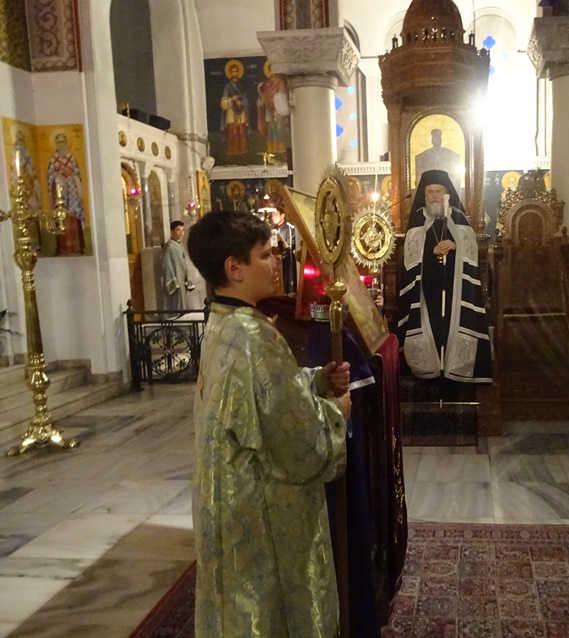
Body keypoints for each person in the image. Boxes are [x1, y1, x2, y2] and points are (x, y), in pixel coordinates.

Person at [186, 209, 351, 637]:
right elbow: (297, 441)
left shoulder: (222, 323)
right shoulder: (255, 337)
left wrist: (315, 381)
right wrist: (337, 413)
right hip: (257, 507)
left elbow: (258, 399)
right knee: (267, 610)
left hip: (225, 495)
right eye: (265, 254)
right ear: (234, 268)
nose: (276, 262)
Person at [397, 169, 491, 382]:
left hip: (454, 291)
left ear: (446, 193)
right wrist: (430, 251)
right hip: (427, 291)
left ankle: (453, 373)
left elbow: (470, 249)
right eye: (430, 192)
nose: (434, 196)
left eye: (438, 191)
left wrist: (456, 245)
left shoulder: (458, 217)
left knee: (451, 329)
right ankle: (429, 376)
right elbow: (411, 255)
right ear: (424, 194)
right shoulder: (418, 220)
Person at [47, 132, 85, 255]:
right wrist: (57, 176)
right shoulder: (53, 159)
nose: (61, 144)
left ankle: (77, 247)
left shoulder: (71, 157)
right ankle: (62, 248)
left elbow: (77, 173)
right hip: (60, 191)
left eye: (63, 141)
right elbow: (50, 176)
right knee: (62, 217)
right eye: (58, 142)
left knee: (73, 216)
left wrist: (72, 177)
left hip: (72, 191)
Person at [162, 220, 195, 312]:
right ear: (172, 231)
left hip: (181, 280)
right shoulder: (169, 246)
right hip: (175, 281)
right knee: (176, 306)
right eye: (178, 230)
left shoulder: (180, 245)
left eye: (183, 230)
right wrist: (174, 281)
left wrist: (186, 277)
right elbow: (167, 265)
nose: (181, 233)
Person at [220, 61, 251, 159]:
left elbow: (245, 99)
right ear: (230, 73)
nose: (235, 73)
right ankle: (231, 153)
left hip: (241, 113)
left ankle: (243, 152)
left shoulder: (242, 85)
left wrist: (242, 103)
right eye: (233, 71)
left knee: (242, 133)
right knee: (232, 133)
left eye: (236, 71)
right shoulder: (228, 87)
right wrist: (231, 99)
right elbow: (223, 103)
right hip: (231, 113)